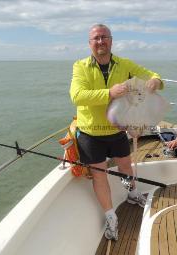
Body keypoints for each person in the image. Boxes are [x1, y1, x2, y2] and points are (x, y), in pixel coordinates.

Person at [69, 24, 163, 241]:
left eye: (104, 37)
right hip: (91, 133)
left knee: (125, 166)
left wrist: (155, 81)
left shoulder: (124, 64)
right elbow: (77, 96)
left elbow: (153, 75)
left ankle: (131, 193)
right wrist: (109, 93)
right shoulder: (80, 66)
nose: (100, 41)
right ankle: (111, 216)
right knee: (99, 175)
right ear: (89, 43)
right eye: (96, 38)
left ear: (111, 40)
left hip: (118, 128)